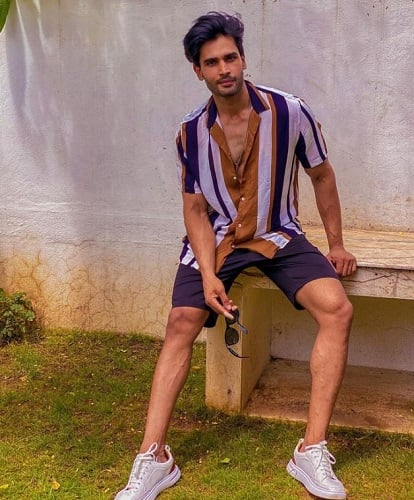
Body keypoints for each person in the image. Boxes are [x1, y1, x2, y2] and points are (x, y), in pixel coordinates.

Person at [115, 11, 357, 500]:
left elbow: (321, 175)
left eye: (230, 58)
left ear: (243, 59)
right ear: (198, 71)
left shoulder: (291, 111)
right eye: (211, 62)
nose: (224, 69)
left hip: (277, 234)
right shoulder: (190, 132)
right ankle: (154, 457)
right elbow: (195, 211)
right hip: (219, 239)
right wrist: (208, 275)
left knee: (337, 308)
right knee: (181, 321)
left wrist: (335, 244)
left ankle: (310, 450)